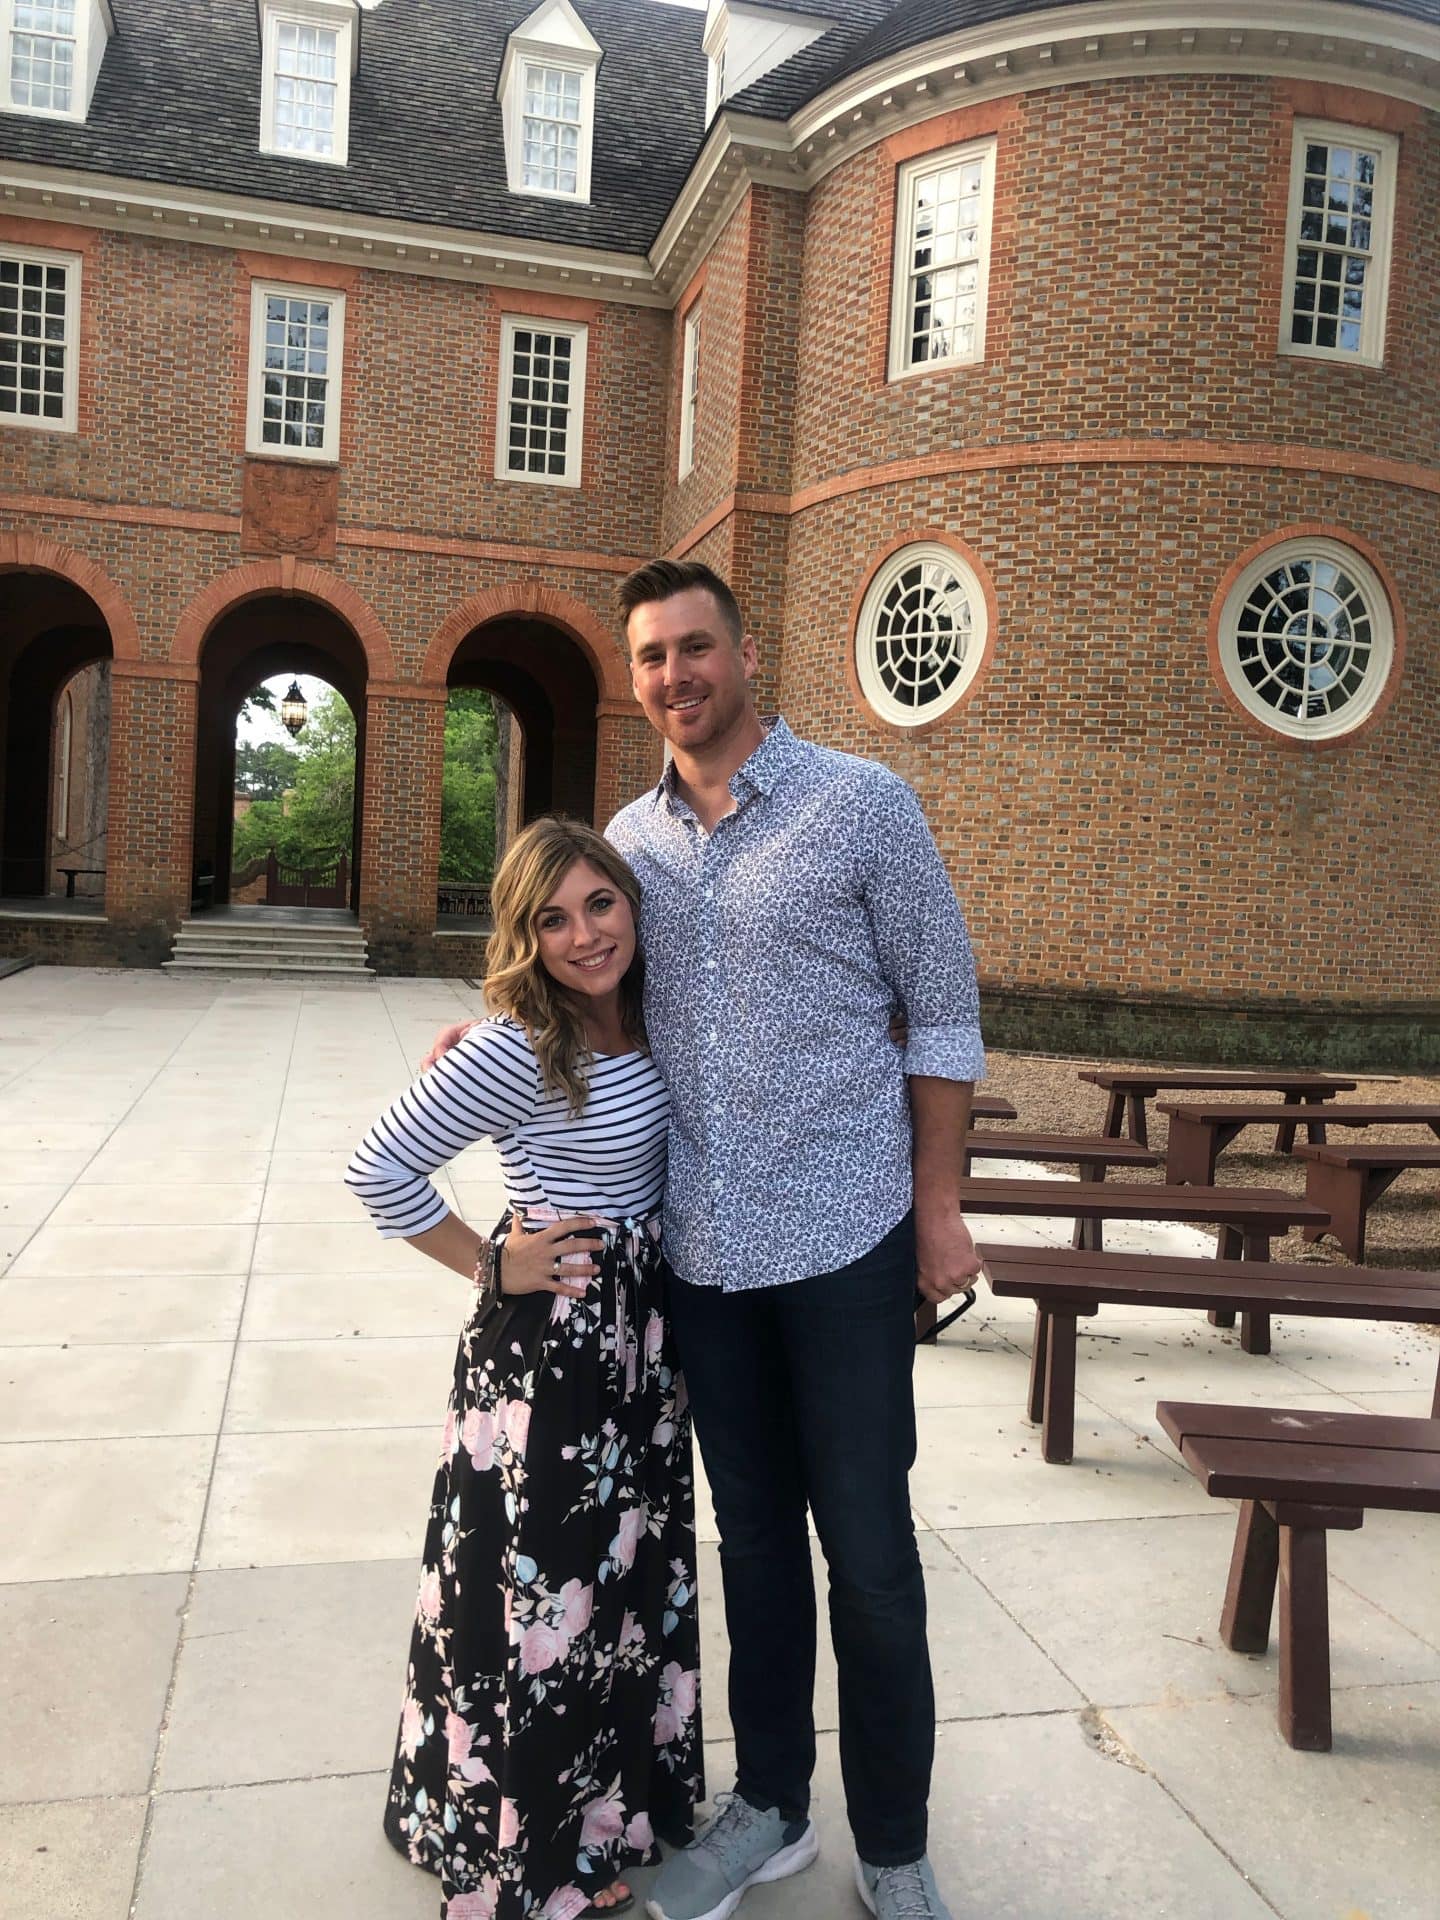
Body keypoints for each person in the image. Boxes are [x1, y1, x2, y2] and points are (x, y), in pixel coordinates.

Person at [427, 559, 983, 1920]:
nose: (675, 675)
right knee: (751, 1547)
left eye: (695, 647)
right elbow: (582, 981)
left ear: (744, 652)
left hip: (848, 1245)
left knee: (870, 1551)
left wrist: (941, 1205)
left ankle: (896, 1844)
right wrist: (484, 1031)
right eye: (652, 657)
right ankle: (773, 1806)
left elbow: (947, 1012)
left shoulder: (864, 808)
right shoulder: (632, 844)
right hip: (707, 1263)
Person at [347, 818, 703, 1920]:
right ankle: (539, 1846)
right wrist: (494, 1264)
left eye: (600, 903)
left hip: (640, 1345)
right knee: (546, 1588)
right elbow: (378, 1169)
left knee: (619, 1584)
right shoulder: (517, 1045)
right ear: (525, 935)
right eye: (553, 919)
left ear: (632, 904)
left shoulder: (655, 1013)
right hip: (555, 1351)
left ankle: (611, 1802)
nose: (585, 934)